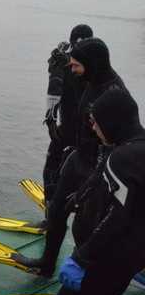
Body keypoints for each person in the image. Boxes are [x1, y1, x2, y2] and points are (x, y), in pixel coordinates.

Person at [41, 88, 145, 295]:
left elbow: (117, 216)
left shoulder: (122, 156)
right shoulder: (137, 147)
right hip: (133, 255)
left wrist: (81, 257)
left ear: (112, 122)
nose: (95, 130)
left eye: (97, 123)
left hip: (108, 256)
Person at [32, 37, 128, 276]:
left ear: (92, 64)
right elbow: (65, 93)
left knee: (84, 227)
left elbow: (117, 143)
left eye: (76, 65)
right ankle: (47, 264)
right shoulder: (89, 79)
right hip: (79, 157)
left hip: (100, 165)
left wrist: (90, 186)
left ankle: (85, 276)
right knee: (55, 211)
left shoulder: (114, 93)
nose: (72, 70)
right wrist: (57, 68)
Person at [42, 24, 93, 207]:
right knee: (79, 168)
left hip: (72, 127)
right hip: (91, 129)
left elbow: (54, 89)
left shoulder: (64, 60)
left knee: (53, 168)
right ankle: (77, 202)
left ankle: (53, 209)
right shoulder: (95, 62)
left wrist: (50, 119)